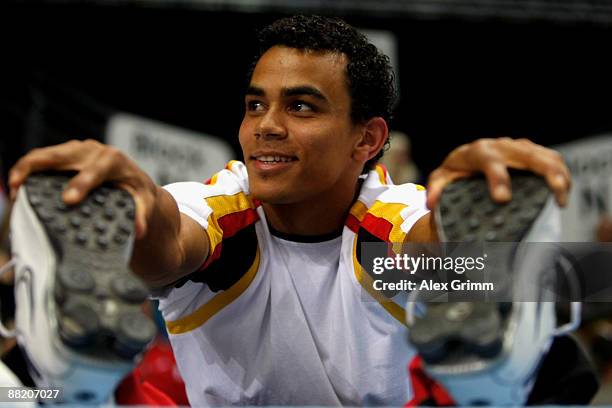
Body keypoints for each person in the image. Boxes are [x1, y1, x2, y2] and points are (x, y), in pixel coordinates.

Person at [8, 15, 571, 406]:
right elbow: (166, 244)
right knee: (26, 391)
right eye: (256, 104)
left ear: (367, 140)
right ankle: (59, 345)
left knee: (537, 347)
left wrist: (471, 211)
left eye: (301, 105)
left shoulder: (387, 222)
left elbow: (423, 249)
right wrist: (129, 200)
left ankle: (510, 343)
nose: (265, 126)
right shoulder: (223, 210)